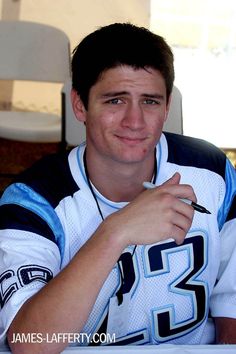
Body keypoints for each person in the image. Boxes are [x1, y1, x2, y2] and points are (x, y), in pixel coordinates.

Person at [0, 22, 236, 353]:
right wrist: (116, 231)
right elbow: (30, 343)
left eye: (150, 101)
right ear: (80, 105)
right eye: (115, 101)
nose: (135, 121)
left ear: (168, 106)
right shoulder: (33, 201)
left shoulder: (212, 171)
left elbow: (232, 300)